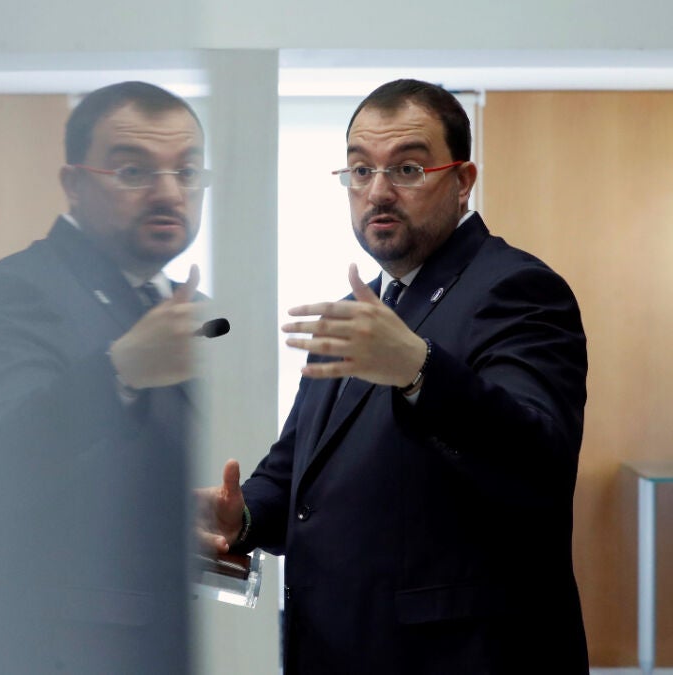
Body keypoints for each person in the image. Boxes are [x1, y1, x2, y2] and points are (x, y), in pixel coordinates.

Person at [199, 79, 590, 673]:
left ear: (462, 181)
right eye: (360, 170)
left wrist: (418, 369)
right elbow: (299, 475)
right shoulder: (355, 315)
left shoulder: (517, 288)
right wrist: (243, 514)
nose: (378, 191)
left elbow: (540, 459)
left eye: (407, 168)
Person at [0, 81, 213, 674]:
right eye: (133, 171)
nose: (168, 192)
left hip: (183, 642)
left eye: (187, 171)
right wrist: (121, 371)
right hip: (58, 651)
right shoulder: (14, 290)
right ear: (73, 184)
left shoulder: (195, 308)